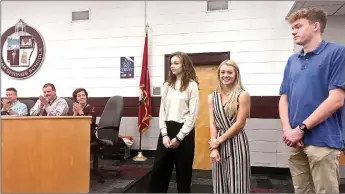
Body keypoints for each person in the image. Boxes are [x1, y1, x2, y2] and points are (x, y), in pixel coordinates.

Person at [279, 7, 345, 193]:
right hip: (294, 141)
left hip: (322, 140)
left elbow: (336, 100)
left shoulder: (337, 53)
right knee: (302, 190)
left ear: (315, 26)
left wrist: (301, 129)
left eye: (298, 26)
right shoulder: (292, 60)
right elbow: (284, 98)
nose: (293, 31)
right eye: (292, 27)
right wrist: (288, 131)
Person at [148, 51, 199, 193]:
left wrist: (179, 137)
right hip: (167, 129)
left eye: (176, 63)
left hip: (184, 132)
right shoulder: (167, 85)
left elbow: (193, 114)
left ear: (185, 65)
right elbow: (162, 111)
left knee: (183, 173)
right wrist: (164, 134)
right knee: (159, 171)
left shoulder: (192, 86)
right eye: (171, 63)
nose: (172, 66)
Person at [208, 60, 251, 193]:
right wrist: (214, 148)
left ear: (236, 74)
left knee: (238, 183)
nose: (226, 75)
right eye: (223, 72)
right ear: (218, 74)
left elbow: (240, 124)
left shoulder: (242, 95)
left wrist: (218, 141)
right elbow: (212, 123)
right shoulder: (212, 97)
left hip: (237, 141)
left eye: (229, 72)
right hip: (218, 143)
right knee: (220, 182)